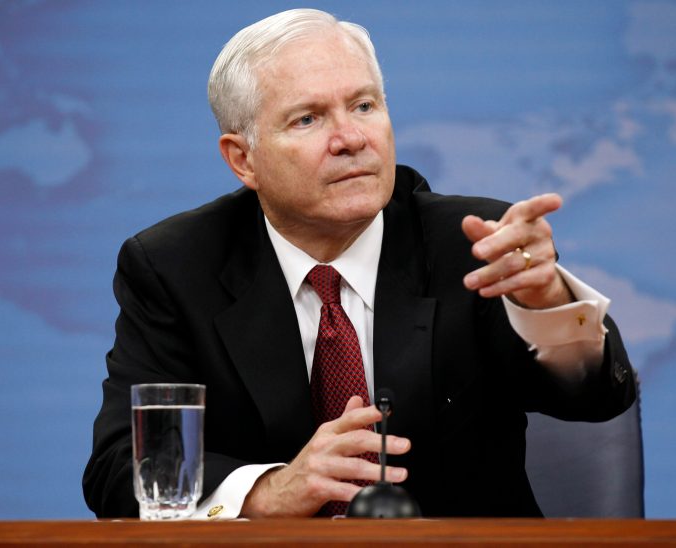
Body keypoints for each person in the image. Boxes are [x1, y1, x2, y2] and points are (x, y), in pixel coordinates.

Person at [83, 8, 635, 519]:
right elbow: (118, 470)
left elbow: (597, 397)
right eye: (307, 119)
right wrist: (269, 490)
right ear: (243, 159)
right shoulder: (176, 267)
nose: (351, 138)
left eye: (365, 105)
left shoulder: (476, 245)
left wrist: (547, 306)